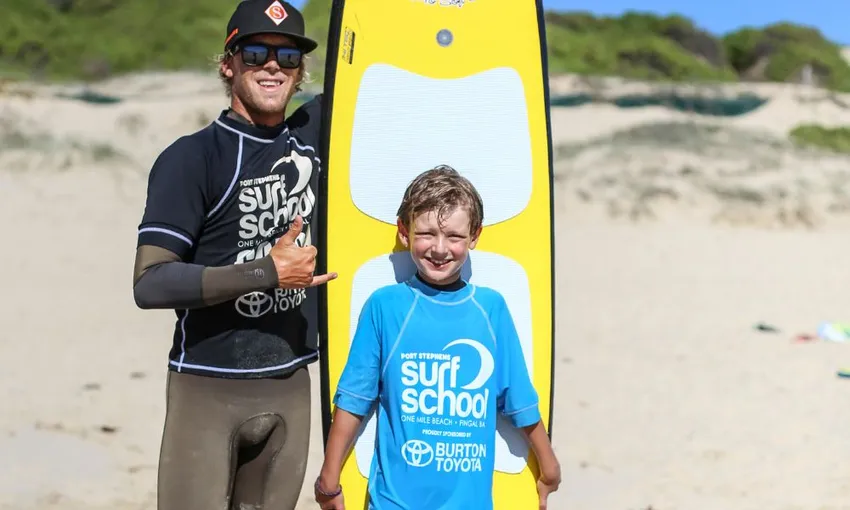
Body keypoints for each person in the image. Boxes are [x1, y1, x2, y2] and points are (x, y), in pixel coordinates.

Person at [131, 1, 335, 508]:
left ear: (300, 70)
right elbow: (151, 282)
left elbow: (382, 71)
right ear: (229, 63)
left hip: (291, 386)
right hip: (207, 389)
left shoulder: (314, 136)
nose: (273, 65)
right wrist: (268, 271)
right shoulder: (192, 157)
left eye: (288, 55)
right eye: (256, 52)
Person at [314, 166, 561, 510]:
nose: (440, 249)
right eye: (427, 233)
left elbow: (517, 398)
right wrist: (329, 477)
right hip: (393, 502)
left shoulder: (490, 309)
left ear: (475, 236)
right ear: (404, 231)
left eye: (455, 237)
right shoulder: (385, 306)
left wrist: (548, 464)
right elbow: (354, 398)